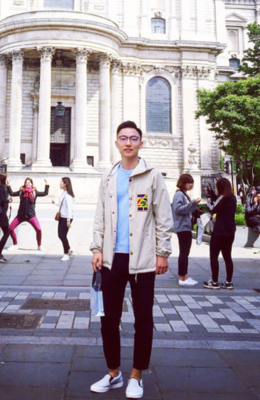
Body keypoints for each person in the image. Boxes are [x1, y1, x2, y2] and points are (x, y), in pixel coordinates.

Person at [90, 121, 173, 399]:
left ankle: (137, 374)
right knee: (108, 319)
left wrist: (162, 252)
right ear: (116, 143)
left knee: (143, 319)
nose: (128, 143)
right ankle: (114, 373)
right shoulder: (108, 176)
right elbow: (100, 215)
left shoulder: (152, 175)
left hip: (144, 259)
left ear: (141, 143)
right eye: (123, 138)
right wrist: (97, 248)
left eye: (133, 138)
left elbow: (163, 217)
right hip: (112, 259)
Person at [204, 178, 236, 290]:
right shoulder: (232, 198)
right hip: (230, 231)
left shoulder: (223, 198)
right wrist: (211, 193)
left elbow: (212, 208)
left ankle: (214, 281)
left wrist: (208, 198)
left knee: (214, 256)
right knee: (227, 257)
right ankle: (228, 282)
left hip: (219, 231)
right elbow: (219, 203)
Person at [172, 174, 201, 287]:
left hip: (185, 227)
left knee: (185, 252)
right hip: (182, 227)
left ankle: (185, 275)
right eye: (189, 182)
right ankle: (182, 277)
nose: (191, 185)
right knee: (184, 252)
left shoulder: (184, 194)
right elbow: (177, 209)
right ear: (183, 183)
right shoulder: (179, 194)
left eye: (192, 182)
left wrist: (195, 208)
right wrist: (193, 204)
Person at [7, 178, 49, 250]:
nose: (28, 183)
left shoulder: (34, 192)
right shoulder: (21, 192)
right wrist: (8, 185)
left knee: (39, 229)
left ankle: (39, 245)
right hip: (21, 215)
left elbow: (45, 193)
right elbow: (12, 193)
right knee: (10, 228)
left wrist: (47, 184)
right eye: (26, 182)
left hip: (31, 215)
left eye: (29, 182)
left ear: (32, 184)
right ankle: (15, 244)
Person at [52, 177, 75, 261]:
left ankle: (66, 254)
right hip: (62, 217)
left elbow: (69, 209)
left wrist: (68, 220)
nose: (60, 183)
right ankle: (68, 250)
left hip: (66, 218)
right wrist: (55, 203)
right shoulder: (63, 193)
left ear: (65, 184)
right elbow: (61, 204)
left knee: (62, 235)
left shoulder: (68, 196)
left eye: (61, 182)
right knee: (61, 235)